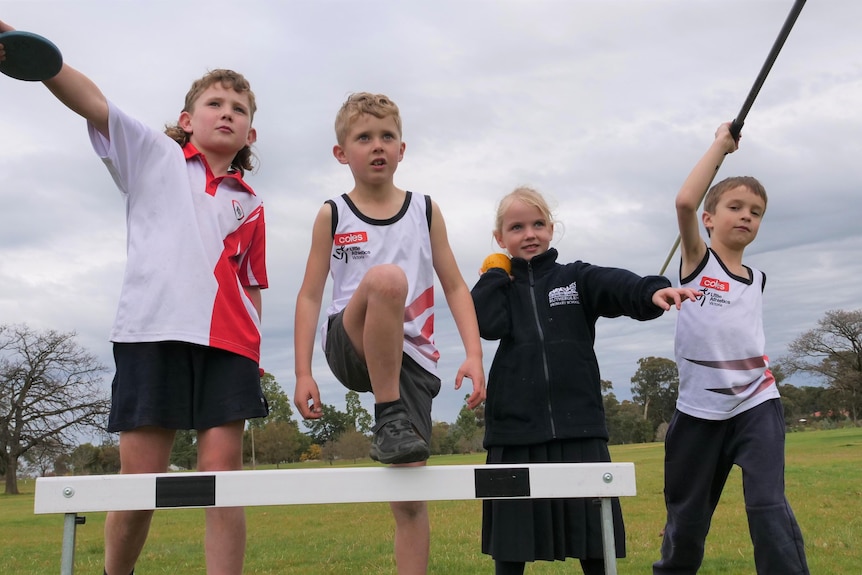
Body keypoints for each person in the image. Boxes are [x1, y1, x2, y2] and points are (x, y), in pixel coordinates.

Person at [0, 20, 269, 575]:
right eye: (215, 102)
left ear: (251, 134)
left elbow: (250, 287)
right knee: (140, 485)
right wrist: (31, 49)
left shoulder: (253, 203)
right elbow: (93, 103)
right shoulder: (155, 157)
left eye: (239, 108)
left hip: (230, 346)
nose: (228, 112)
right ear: (187, 121)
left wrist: (256, 358)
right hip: (151, 335)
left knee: (221, 481)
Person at [293, 92, 486, 574]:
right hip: (351, 342)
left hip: (410, 363)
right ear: (342, 153)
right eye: (363, 138)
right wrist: (302, 373)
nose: (377, 146)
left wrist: (474, 354)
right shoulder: (332, 214)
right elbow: (311, 296)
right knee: (385, 279)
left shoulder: (425, 210)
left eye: (387, 136)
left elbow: (456, 284)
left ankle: (393, 419)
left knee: (410, 498)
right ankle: (387, 413)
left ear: (402, 149)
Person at [471, 186, 699, 575]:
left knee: (596, 542)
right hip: (515, 435)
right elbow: (487, 324)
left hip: (580, 429)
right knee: (510, 548)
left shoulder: (574, 278)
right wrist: (495, 270)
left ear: (552, 228)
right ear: (500, 238)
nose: (529, 234)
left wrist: (652, 290)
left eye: (538, 224)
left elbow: (618, 286)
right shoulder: (500, 287)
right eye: (516, 227)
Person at [653, 123, 809, 574]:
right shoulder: (698, 262)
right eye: (735, 207)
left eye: (756, 212)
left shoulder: (757, 278)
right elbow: (684, 201)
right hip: (698, 412)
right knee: (686, 522)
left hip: (757, 402)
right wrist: (721, 146)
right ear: (708, 218)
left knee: (768, 506)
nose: (746, 216)